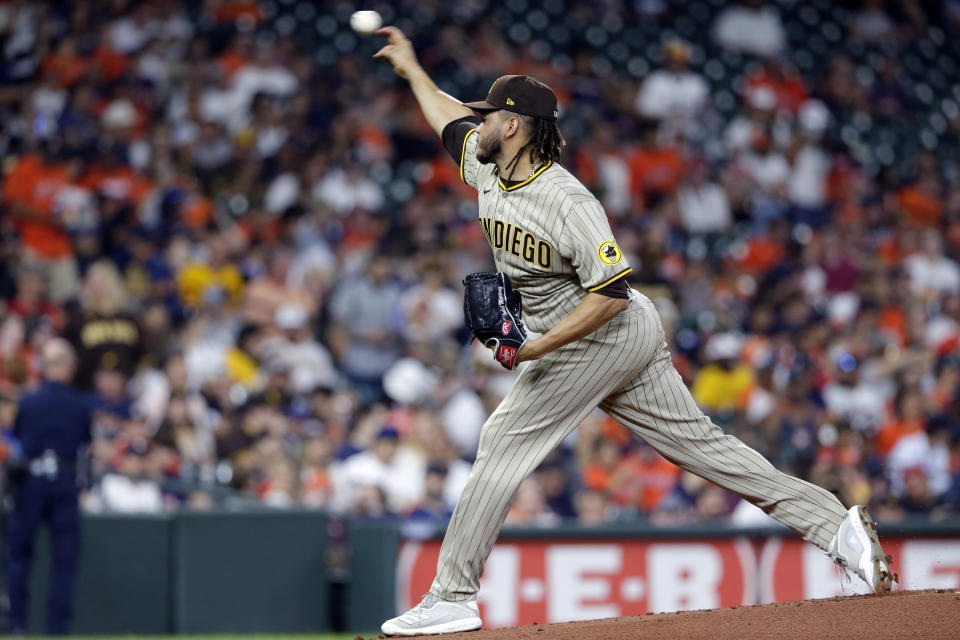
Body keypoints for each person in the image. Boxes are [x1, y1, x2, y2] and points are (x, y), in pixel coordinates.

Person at [373, 26, 895, 636]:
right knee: (703, 448)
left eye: (488, 115)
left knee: (502, 441)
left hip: (602, 334)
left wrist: (537, 346)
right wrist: (411, 69)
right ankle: (837, 529)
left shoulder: (569, 201)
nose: (477, 121)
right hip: (617, 336)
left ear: (513, 126)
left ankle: (453, 595)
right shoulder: (488, 166)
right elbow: (447, 119)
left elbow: (612, 297)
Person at [2, 339, 97, 635]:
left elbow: (19, 440)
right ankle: (57, 629)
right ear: (68, 367)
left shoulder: (29, 402)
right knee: (63, 559)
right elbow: (85, 446)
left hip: (31, 481)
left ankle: (16, 622)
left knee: (19, 554)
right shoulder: (79, 404)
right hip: (65, 483)